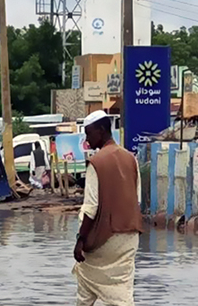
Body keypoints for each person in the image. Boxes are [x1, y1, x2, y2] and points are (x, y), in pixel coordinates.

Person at [73, 110, 143, 306]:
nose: (87, 140)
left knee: (85, 282)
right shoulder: (131, 159)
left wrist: (80, 241)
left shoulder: (96, 163)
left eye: (89, 134)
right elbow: (136, 200)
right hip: (129, 237)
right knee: (122, 288)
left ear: (102, 131)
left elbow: (91, 208)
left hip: (105, 239)